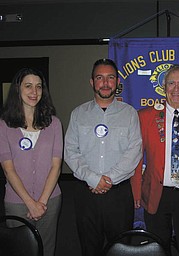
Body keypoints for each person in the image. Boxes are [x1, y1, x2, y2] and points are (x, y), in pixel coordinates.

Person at [64, 58, 142, 256]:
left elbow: (134, 151)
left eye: (110, 78)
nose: (105, 83)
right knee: (89, 249)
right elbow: (70, 152)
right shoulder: (78, 114)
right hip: (86, 194)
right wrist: (93, 178)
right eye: (100, 78)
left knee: (122, 249)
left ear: (117, 82)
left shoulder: (130, 113)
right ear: (92, 82)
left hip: (119, 194)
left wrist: (107, 180)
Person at [131, 64, 179, 256]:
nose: (176, 89)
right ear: (164, 87)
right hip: (157, 192)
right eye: (171, 83)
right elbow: (136, 158)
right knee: (158, 248)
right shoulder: (145, 116)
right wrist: (136, 192)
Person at [0, 67, 63, 256]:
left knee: (46, 249)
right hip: (17, 202)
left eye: (39, 87)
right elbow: (8, 170)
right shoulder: (4, 125)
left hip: (50, 201)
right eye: (28, 86)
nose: (34, 92)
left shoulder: (54, 124)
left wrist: (41, 202)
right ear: (17, 89)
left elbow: (56, 166)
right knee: (20, 250)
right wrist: (31, 203)